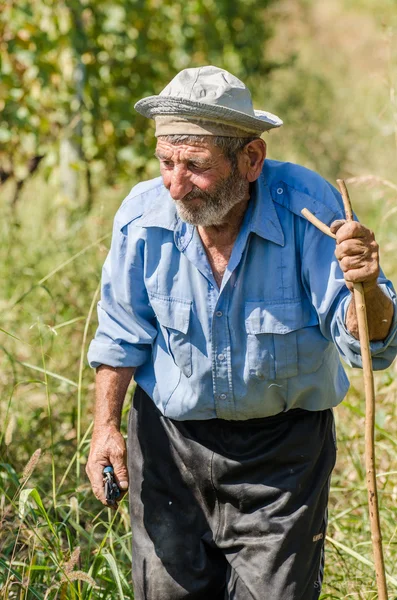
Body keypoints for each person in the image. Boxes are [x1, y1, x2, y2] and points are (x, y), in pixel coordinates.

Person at [86, 66, 397, 600]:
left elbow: (372, 343)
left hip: (283, 462)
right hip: (169, 450)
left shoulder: (310, 211)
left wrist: (366, 288)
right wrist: (105, 428)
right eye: (166, 162)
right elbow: (120, 334)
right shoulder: (142, 218)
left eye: (196, 166)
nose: (175, 184)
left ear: (251, 160)